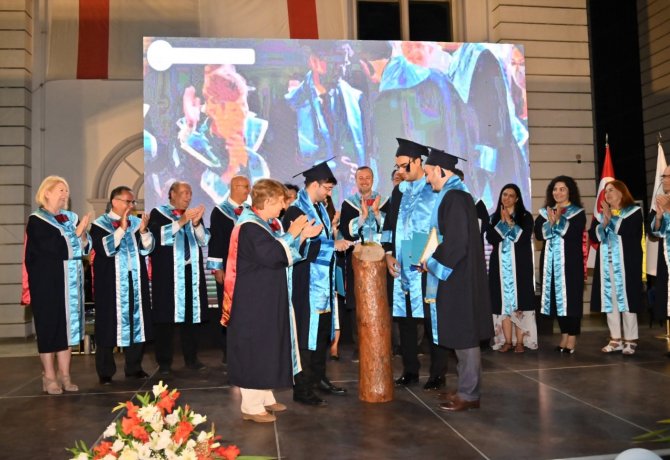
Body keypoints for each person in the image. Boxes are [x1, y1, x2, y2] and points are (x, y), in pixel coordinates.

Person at [223, 179, 322, 423]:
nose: (283, 207)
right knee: (256, 348)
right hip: (253, 301)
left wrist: (301, 237)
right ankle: (251, 406)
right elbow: (273, 255)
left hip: (263, 297)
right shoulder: (250, 227)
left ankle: (265, 396)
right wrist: (293, 233)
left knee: (267, 345)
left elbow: (281, 254)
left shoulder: (261, 225)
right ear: (267, 201)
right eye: (280, 202)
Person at [420, 148, 493, 411]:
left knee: (465, 335)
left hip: (458, 276)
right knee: (461, 334)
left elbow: (456, 243)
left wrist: (431, 263)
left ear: (441, 170)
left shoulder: (455, 197)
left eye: (429, 173)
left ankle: (469, 395)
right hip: (458, 273)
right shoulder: (455, 196)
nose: (427, 179)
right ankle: (465, 388)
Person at [282, 161, 353, 406]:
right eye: (327, 188)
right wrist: (333, 245)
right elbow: (298, 248)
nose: (329, 194)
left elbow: (320, 241)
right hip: (304, 283)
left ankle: (319, 378)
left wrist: (333, 233)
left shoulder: (320, 208)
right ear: (314, 185)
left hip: (323, 284)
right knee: (305, 335)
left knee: (322, 332)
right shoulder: (295, 212)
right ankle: (302, 388)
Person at [381, 138, 448, 391]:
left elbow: (442, 228)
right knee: (405, 319)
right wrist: (388, 253)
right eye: (397, 166)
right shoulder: (399, 191)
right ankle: (410, 370)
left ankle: (438, 373)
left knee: (432, 319)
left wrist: (430, 256)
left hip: (427, 261)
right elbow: (389, 225)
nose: (400, 170)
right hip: (402, 259)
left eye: (404, 165)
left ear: (418, 162)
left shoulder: (434, 189)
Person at [24, 176, 90, 394]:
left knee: (67, 330)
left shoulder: (70, 218)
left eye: (67, 190)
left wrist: (82, 234)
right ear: (47, 193)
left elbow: (84, 248)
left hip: (70, 285)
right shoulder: (37, 221)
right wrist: (78, 233)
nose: (65, 194)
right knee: (49, 328)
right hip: (47, 283)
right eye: (61, 190)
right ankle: (49, 377)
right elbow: (54, 248)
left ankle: (65, 375)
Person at [90, 186, 154, 384]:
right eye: (128, 201)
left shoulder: (136, 223)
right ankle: (105, 371)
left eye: (133, 202)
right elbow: (105, 250)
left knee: (137, 323)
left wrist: (144, 231)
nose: (131, 205)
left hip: (135, 281)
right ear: (115, 202)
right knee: (108, 325)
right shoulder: (99, 225)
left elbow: (148, 249)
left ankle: (134, 367)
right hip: (110, 285)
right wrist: (121, 229)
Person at [148, 181, 210, 375]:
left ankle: (191, 358)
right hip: (167, 275)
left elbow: (204, 240)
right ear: (172, 194)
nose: (188, 196)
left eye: (190, 192)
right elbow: (157, 238)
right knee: (165, 320)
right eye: (184, 192)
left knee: (191, 318)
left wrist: (196, 223)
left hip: (191, 273)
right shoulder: (158, 213)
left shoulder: (192, 215)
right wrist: (182, 221)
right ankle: (164, 362)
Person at [339, 166, 389, 361]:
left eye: (367, 178)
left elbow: (389, 229)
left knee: (382, 299)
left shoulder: (384, 201)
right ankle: (359, 346)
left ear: (373, 179)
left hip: (380, 259)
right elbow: (346, 231)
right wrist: (362, 216)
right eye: (361, 178)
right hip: (357, 258)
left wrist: (376, 213)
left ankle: (384, 345)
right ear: (356, 180)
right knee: (357, 301)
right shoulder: (348, 204)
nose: (364, 181)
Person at [534, 176, 586, 354]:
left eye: (562, 189)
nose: (558, 192)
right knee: (557, 301)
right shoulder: (545, 212)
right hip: (550, 264)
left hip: (570, 265)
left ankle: (572, 337)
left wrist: (558, 221)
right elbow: (538, 234)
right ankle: (564, 335)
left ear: (570, 191)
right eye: (555, 189)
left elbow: (573, 233)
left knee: (571, 300)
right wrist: (550, 222)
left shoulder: (577, 213)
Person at [591, 180, 643, 355]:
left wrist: (610, 218)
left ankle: (630, 340)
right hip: (607, 265)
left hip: (627, 265)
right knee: (610, 301)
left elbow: (627, 230)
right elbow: (594, 235)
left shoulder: (634, 212)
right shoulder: (601, 215)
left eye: (611, 190)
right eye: (605, 191)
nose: (607, 194)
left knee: (627, 302)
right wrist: (604, 221)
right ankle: (615, 339)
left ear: (622, 192)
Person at [487, 184, 537, 353]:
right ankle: (507, 341)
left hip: (520, 267)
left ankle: (520, 342)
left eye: (510, 195)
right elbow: (491, 238)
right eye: (504, 194)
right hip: (499, 268)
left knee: (519, 303)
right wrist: (502, 223)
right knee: (503, 305)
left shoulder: (525, 216)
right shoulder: (494, 217)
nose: (506, 198)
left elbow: (523, 238)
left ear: (517, 199)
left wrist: (509, 222)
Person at [207, 175, 250, 363]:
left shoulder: (249, 210)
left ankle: (246, 348)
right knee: (228, 310)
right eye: (245, 186)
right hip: (228, 269)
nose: (248, 190)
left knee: (246, 309)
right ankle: (228, 350)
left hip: (248, 269)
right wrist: (217, 268)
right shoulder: (220, 211)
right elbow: (216, 241)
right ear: (234, 187)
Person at [650, 166, 670, 349]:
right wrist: (658, 216)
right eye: (664, 176)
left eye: (668, 176)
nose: (664, 179)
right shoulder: (662, 200)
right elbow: (657, 233)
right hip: (666, 258)